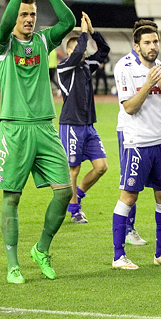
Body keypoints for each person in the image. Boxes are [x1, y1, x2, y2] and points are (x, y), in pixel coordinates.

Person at [0, 0, 76, 283]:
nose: (28, 18)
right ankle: (12, 264)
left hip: (44, 127)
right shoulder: (3, 45)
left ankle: (41, 248)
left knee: (64, 191)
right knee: (11, 197)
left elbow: (67, 23)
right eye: (24, 14)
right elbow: (5, 21)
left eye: (32, 13)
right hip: (14, 130)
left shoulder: (42, 41)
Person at [111, 23, 161, 270]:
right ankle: (118, 256)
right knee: (129, 196)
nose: (153, 47)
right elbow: (129, 107)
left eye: (155, 42)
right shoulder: (125, 67)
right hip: (137, 143)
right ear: (137, 45)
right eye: (147, 43)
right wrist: (148, 84)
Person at [56, 13, 110, 224]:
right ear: (68, 51)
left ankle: (76, 195)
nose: (84, 51)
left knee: (101, 166)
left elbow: (104, 51)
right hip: (71, 125)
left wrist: (93, 32)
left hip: (88, 125)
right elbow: (79, 50)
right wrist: (83, 34)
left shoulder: (86, 65)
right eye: (79, 48)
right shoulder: (64, 68)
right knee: (73, 169)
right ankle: (75, 209)